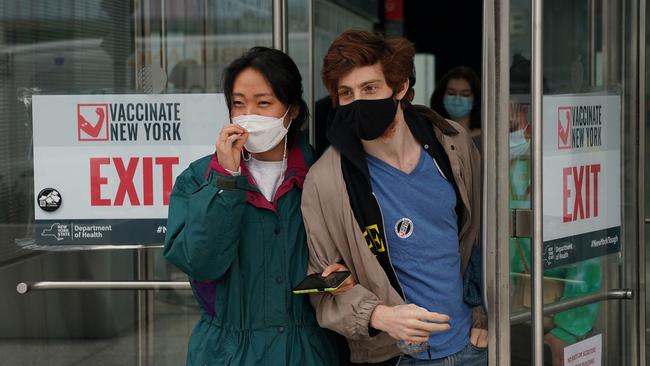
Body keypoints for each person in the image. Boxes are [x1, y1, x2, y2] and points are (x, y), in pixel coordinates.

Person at [301, 30, 487, 365]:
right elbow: (323, 285)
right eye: (347, 93)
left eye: (369, 88)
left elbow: (481, 236)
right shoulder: (325, 181)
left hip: (470, 346)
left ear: (399, 88)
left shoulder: (452, 145)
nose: (358, 101)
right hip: (394, 355)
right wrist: (379, 315)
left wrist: (483, 315)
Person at [163, 46, 339, 366]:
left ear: (293, 110)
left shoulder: (323, 174)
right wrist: (227, 179)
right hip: (228, 351)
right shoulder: (200, 178)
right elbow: (200, 262)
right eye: (239, 104)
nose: (249, 116)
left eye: (264, 103)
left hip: (309, 348)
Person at [430, 66, 481, 143]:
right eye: (451, 93)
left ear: (475, 100)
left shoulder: (485, 138)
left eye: (465, 94)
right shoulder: (432, 136)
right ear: (441, 96)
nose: (457, 99)